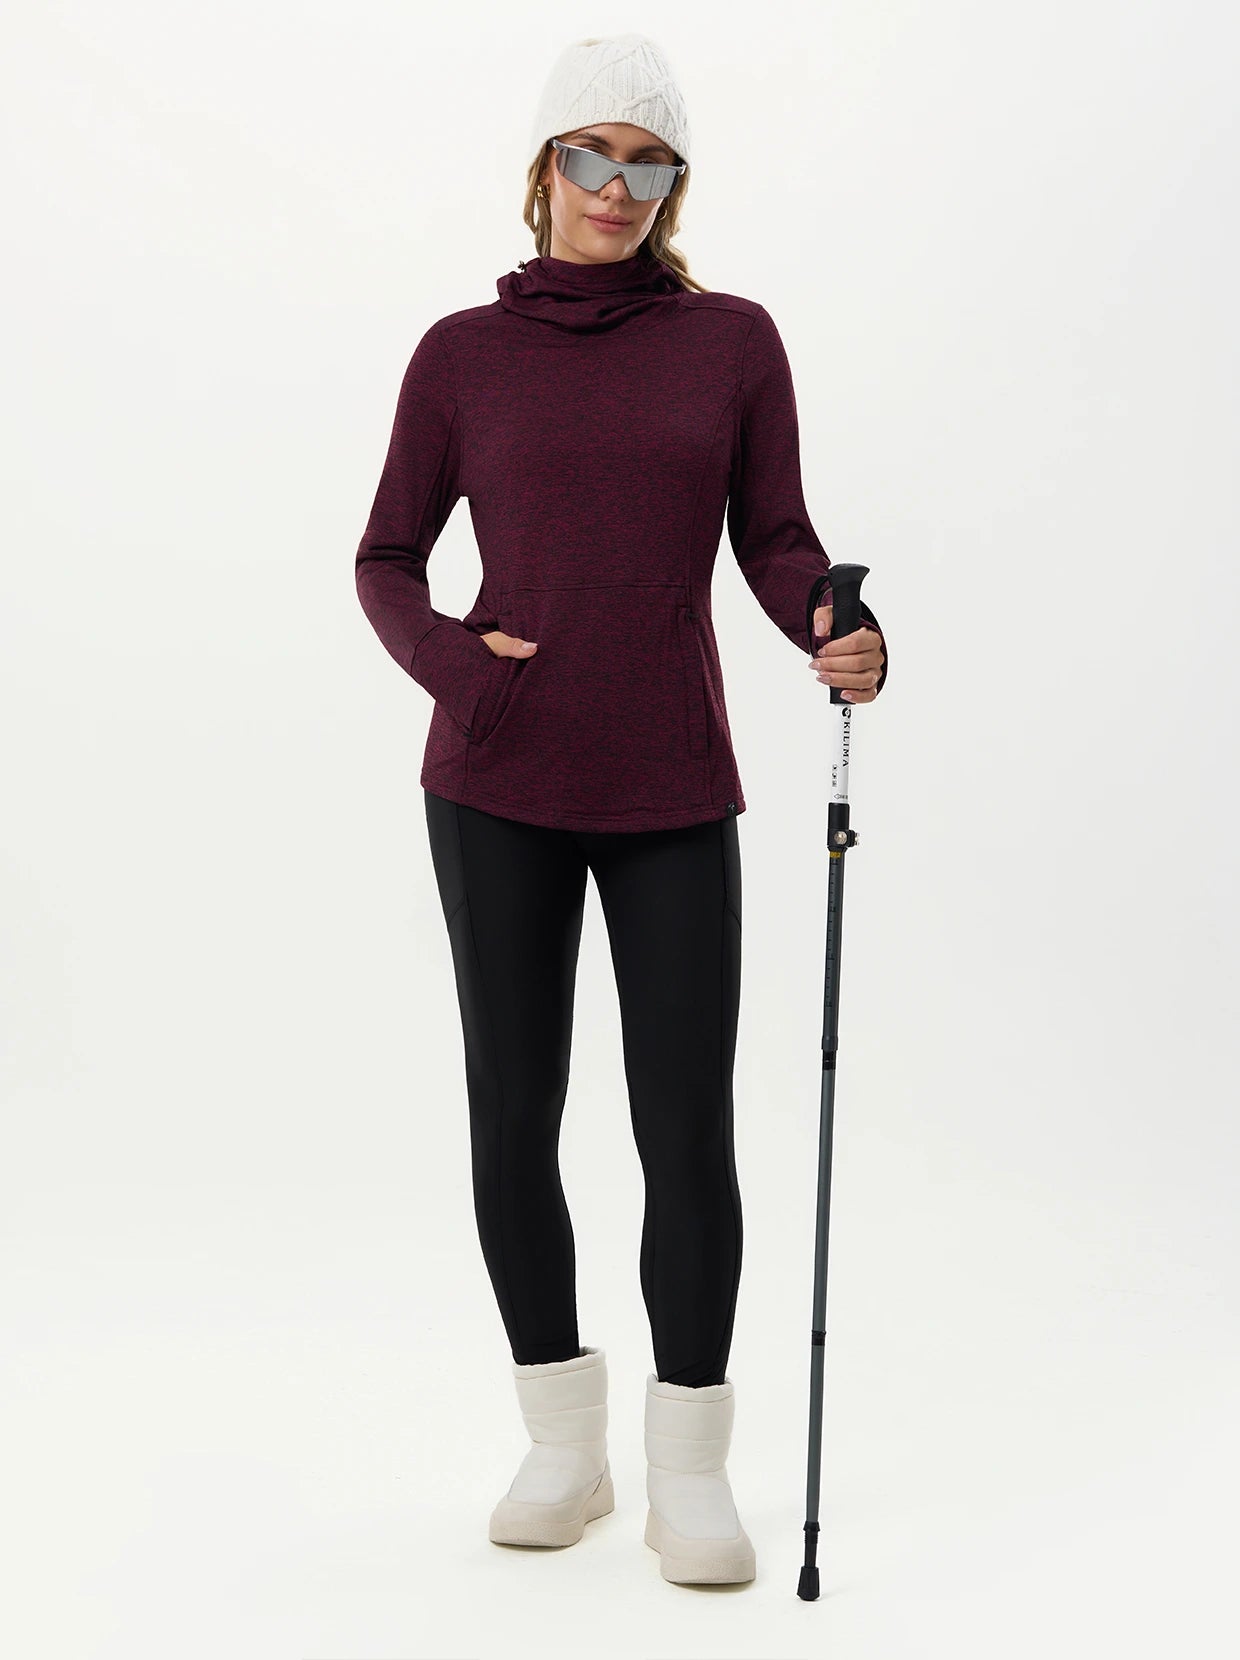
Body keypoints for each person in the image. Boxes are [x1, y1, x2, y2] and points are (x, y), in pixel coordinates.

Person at [354, 32, 887, 1587]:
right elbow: (385, 560)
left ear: (674, 187)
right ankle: (563, 1445)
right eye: (591, 156)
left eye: (649, 164)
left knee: (685, 1127)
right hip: (497, 782)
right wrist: (463, 672)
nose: (616, 187)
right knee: (513, 1112)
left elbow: (776, 536)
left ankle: (690, 1469)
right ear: (544, 170)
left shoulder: (731, 342)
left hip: (668, 781)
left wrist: (832, 620)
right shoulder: (461, 354)